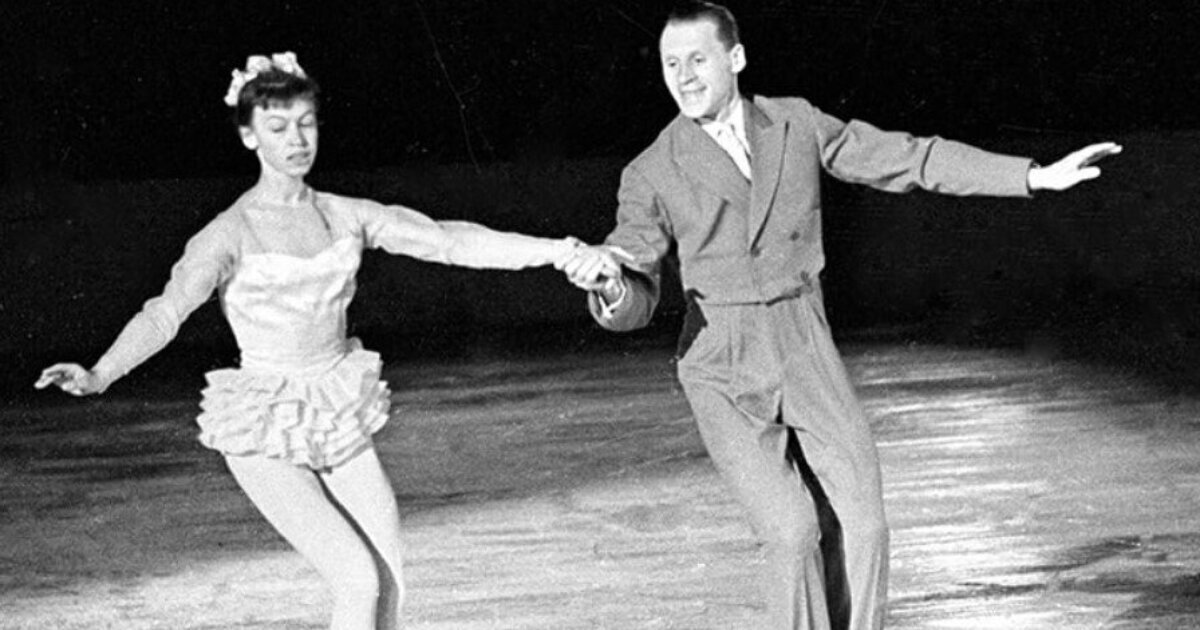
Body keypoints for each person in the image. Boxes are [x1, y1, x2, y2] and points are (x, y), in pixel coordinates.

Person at [561, 3, 1122, 629]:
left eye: (697, 59)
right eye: (671, 64)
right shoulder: (652, 169)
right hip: (722, 360)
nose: (684, 77)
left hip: (804, 339)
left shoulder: (795, 122)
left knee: (863, 524)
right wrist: (611, 282)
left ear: (736, 58)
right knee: (792, 533)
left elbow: (908, 158)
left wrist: (1032, 177)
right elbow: (633, 268)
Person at [34, 52, 606, 630]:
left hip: (335, 408)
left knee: (389, 582)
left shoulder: (342, 215)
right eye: (278, 127)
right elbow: (164, 313)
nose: (296, 140)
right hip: (262, 423)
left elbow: (447, 240)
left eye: (306, 123)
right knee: (356, 578)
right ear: (249, 136)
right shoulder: (229, 233)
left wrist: (559, 251)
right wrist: (100, 373)